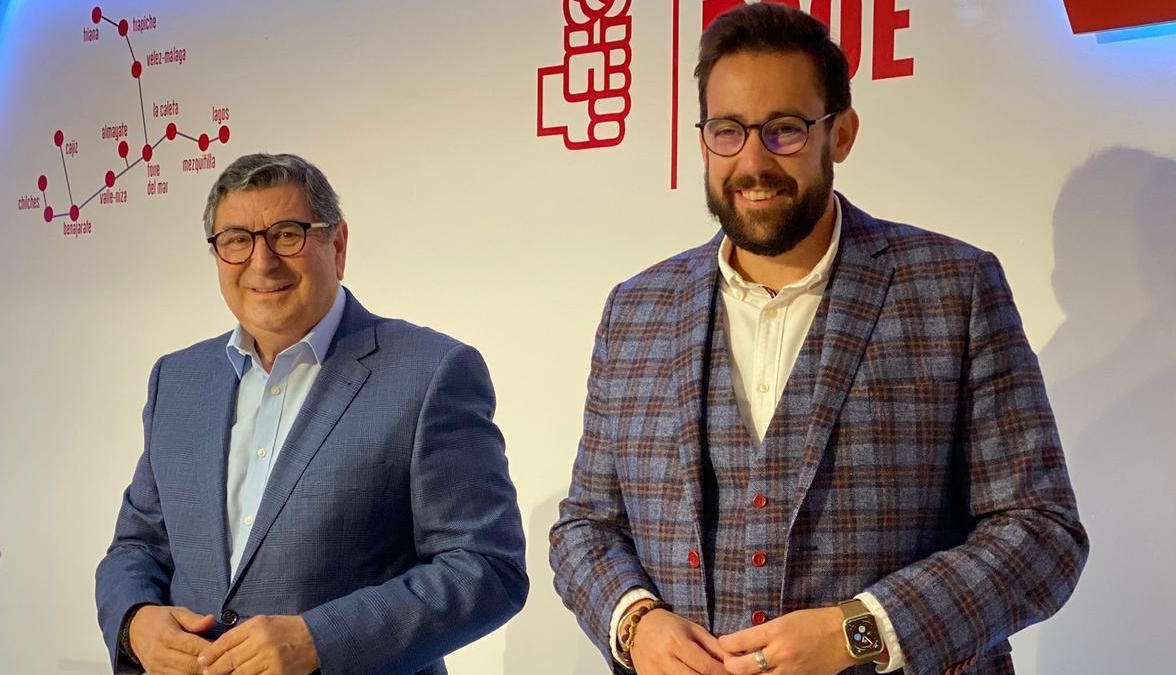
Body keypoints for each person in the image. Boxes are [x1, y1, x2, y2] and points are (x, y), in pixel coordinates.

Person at [549, 5, 1087, 675]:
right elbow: (587, 527)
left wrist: (859, 630)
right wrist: (635, 620)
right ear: (702, 138)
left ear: (841, 133)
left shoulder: (955, 288)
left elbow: (1042, 533)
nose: (753, 161)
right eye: (727, 131)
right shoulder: (636, 309)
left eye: (784, 129)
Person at [95, 153, 528, 675]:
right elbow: (137, 545)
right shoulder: (178, 380)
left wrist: (319, 642)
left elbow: (487, 569)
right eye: (236, 240)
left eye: (287, 234)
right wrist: (135, 621)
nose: (262, 262)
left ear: (337, 245)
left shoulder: (431, 372)